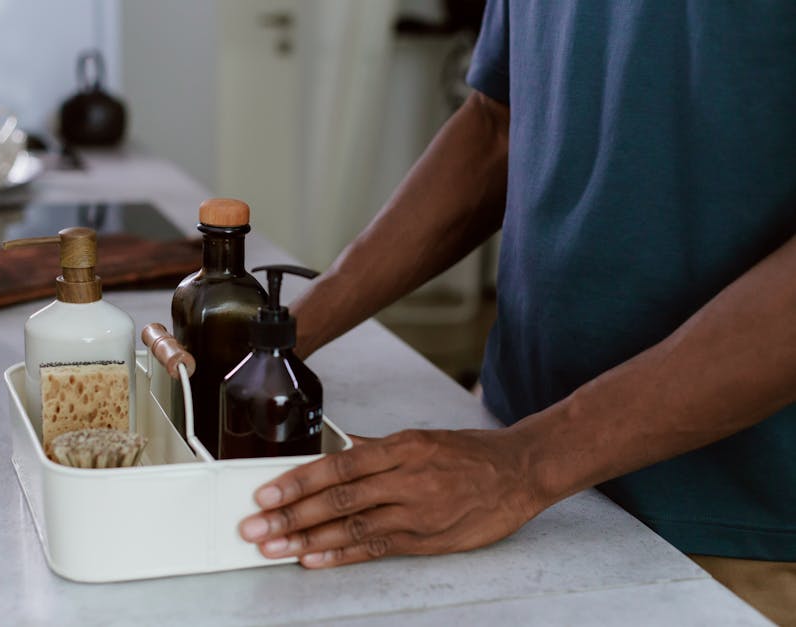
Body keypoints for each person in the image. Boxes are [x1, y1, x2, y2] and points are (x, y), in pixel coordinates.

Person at [238, 2, 795, 623]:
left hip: (736, 531)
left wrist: (531, 463)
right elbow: (495, 126)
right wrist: (285, 332)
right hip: (501, 452)